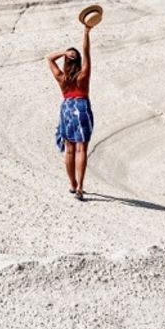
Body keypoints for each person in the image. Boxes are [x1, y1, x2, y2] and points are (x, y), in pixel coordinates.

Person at [46, 24, 93, 200]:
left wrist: (63, 53)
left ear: (66, 62)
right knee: (81, 149)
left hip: (66, 108)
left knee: (70, 150)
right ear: (79, 60)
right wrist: (86, 32)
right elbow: (86, 52)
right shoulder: (84, 75)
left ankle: (72, 185)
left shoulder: (62, 77)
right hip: (81, 107)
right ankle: (80, 187)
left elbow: (49, 58)